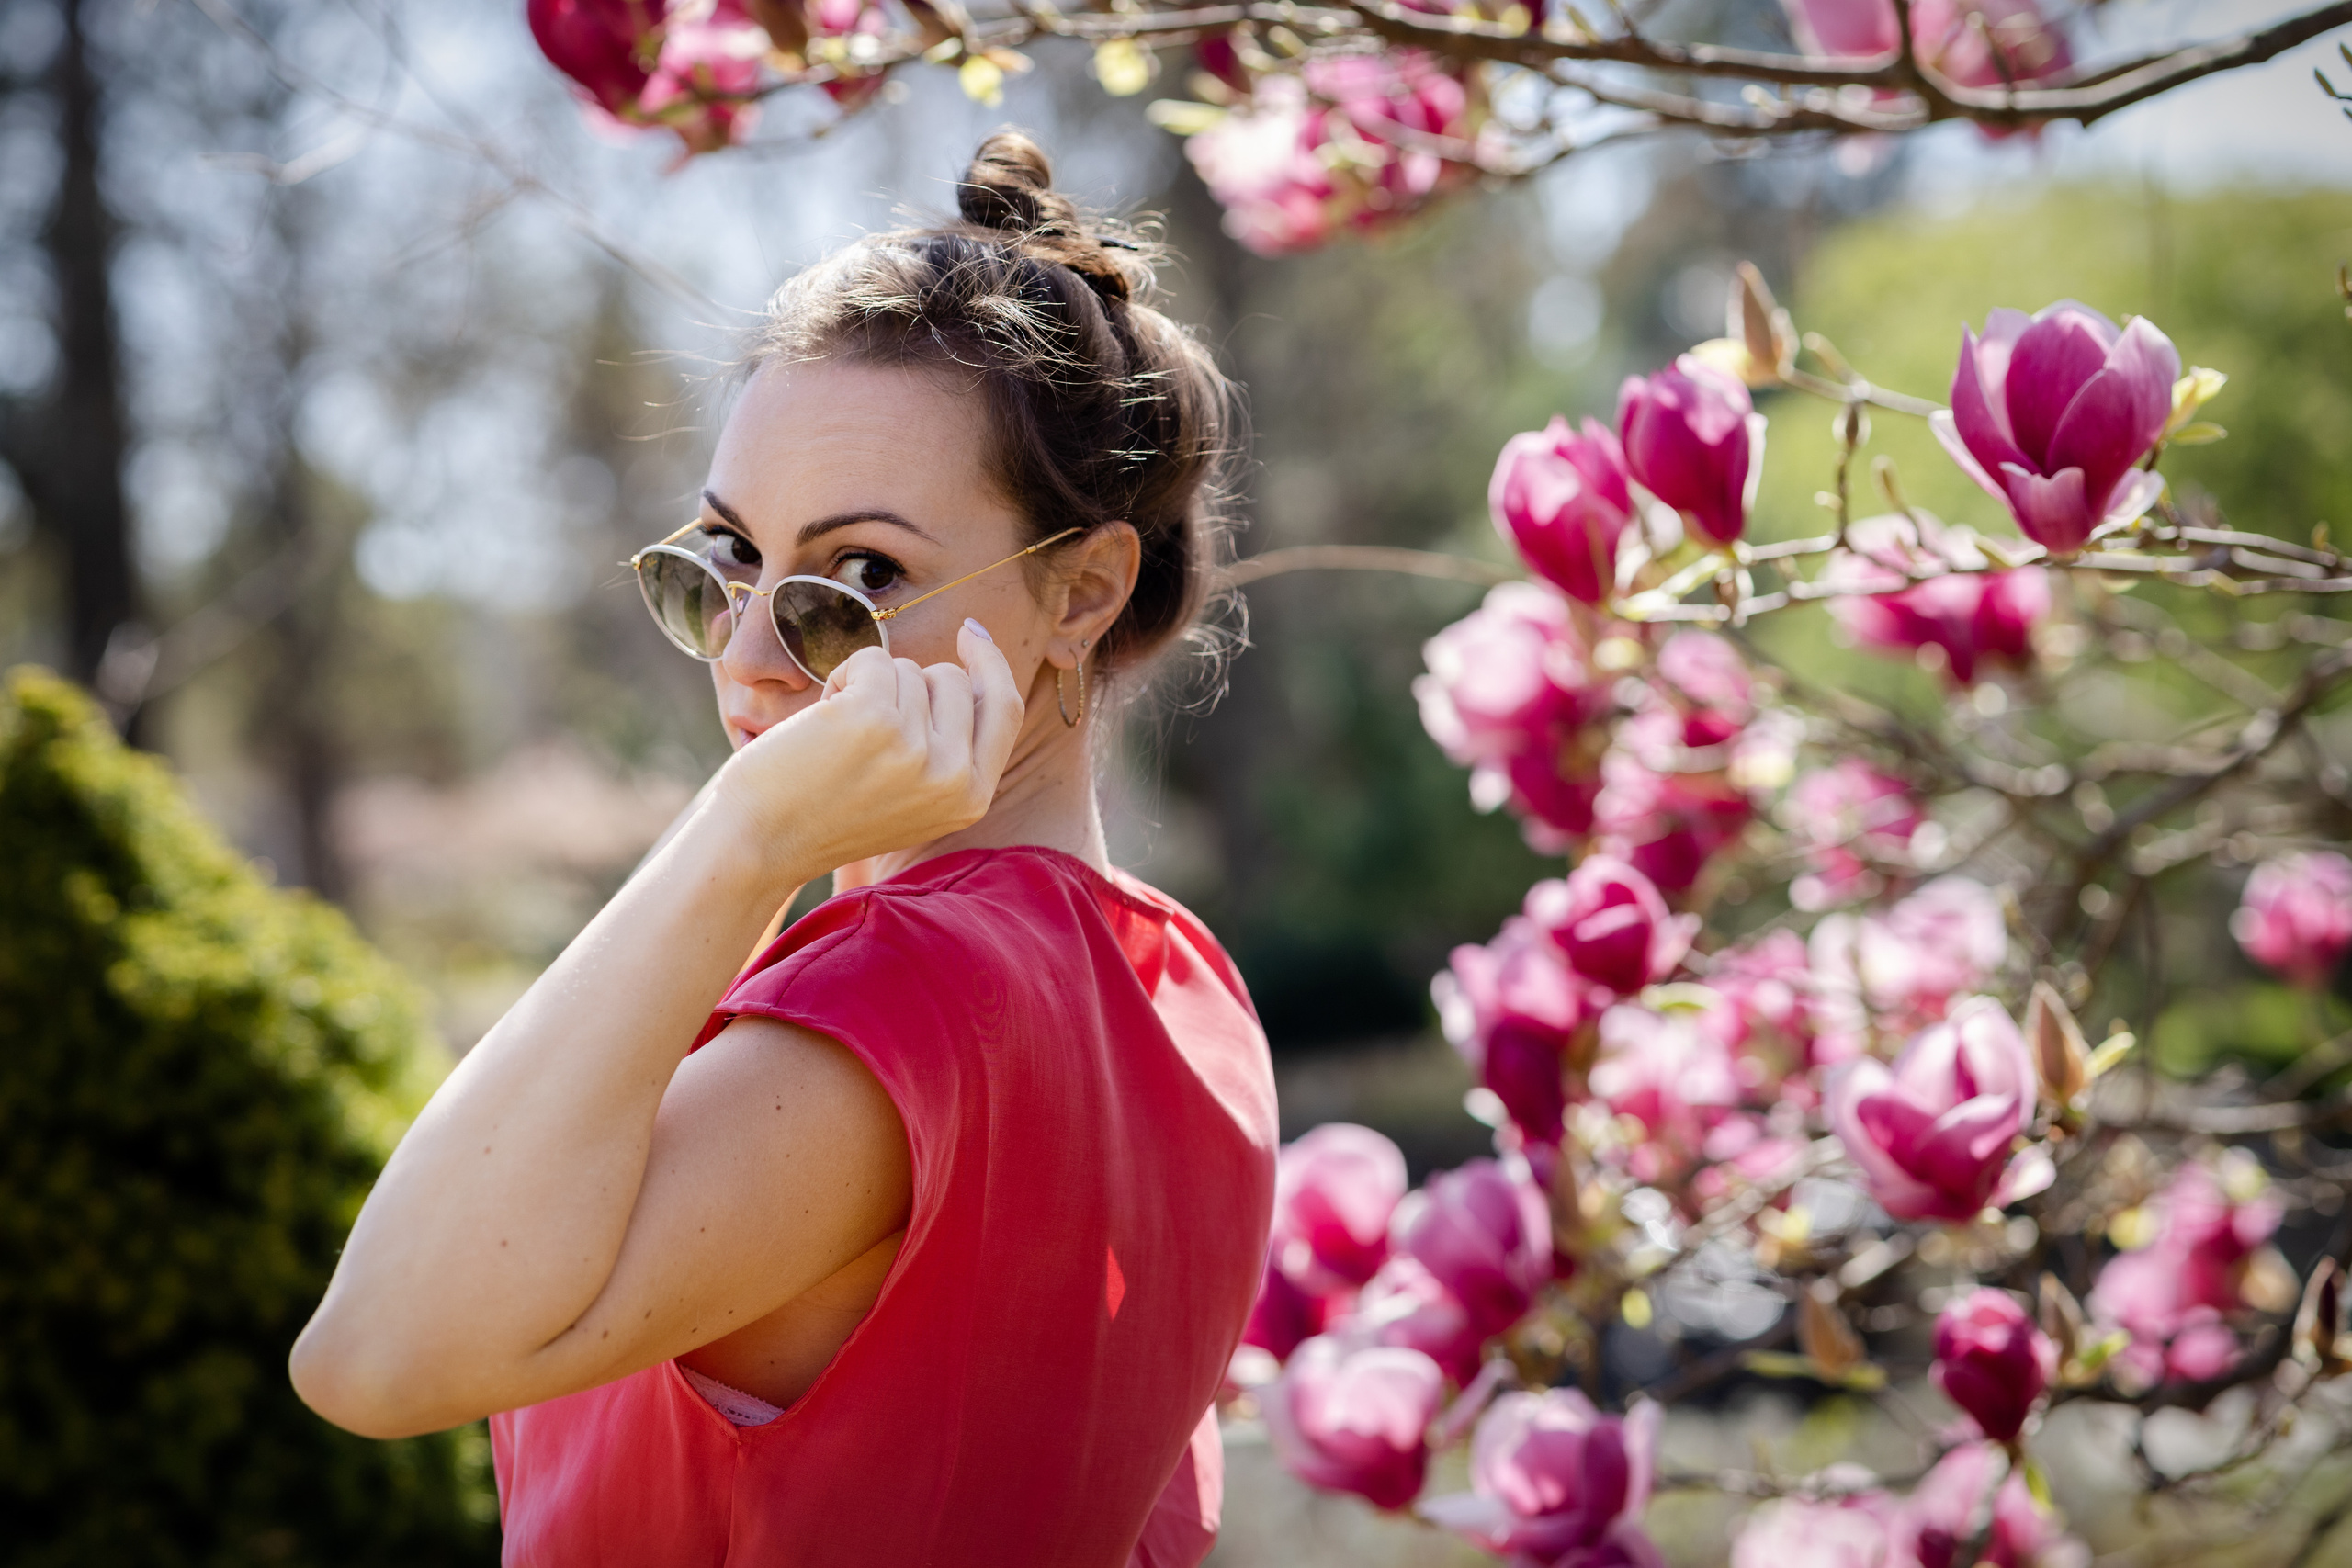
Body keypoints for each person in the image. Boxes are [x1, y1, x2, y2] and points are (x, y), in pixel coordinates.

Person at [290, 131, 1279, 1568]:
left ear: (1082, 590)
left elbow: (369, 1358)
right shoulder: (1187, 988)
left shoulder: (896, 997)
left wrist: (742, 833)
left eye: (864, 574)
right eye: (730, 557)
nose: (749, 655)